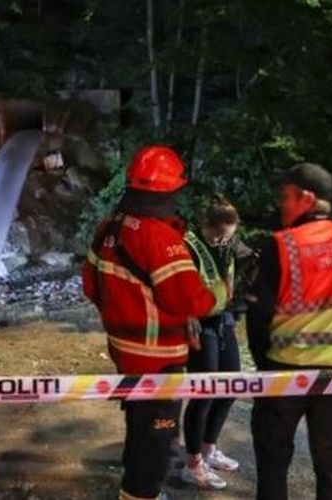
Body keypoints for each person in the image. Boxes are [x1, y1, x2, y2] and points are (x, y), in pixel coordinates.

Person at [82, 145, 226, 500]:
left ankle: (135, 487)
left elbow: (90, 286)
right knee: (157, 442)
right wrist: (222, 292)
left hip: (124, 351)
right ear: (172, 190)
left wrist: (124, 311)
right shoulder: (159, 237)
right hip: (158, 359)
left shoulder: (108, 227)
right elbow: (189, 299)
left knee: (139, 424)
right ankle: (140, 494)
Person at [247, 163, 332, 500]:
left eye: (286, 197)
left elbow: (258, 315)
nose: (281, 205)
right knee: (331, 464)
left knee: (273, 462)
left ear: (306, 198)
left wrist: (264, 369)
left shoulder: (282, 245)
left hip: (283, 374)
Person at [180, 194, 254, 490]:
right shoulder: (188, 245)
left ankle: (209, 449)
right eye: (220, 237)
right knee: (204, 394)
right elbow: (177, 286)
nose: (224, 242)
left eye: (230, 237)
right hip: (199, 325)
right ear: (207, 227)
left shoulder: (232, 242)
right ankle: (192, 461)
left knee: (229, 388)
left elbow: (251, 263)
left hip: (223, 320)